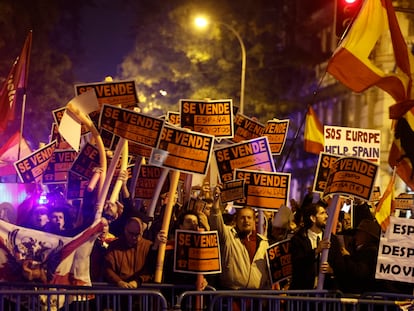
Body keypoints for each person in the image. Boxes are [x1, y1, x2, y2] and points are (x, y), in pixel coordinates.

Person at [208, 185, 271, 290]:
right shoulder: (228, 235)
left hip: (256, 298)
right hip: (231, 297)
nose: (246, 221)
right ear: (236, 220)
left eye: (249, 218)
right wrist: (216, 202)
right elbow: (215, 221)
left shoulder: (264, 242)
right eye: (242, 218)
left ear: (254, 220)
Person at [290, 201, 343, 290]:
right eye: (322, 213)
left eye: (326, 213)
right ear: (313, 218)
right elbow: (297, 263)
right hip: (304, 293)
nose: (326, 216)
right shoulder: (298, 239)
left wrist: (332, 270)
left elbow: (340, 264)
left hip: (326, 293)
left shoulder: (332, 239)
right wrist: (316, 251)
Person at [104, 216, 157, 288]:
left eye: (137, 234)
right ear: (125, 230)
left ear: (142, 233)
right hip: (118, 292)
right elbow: (107, 268)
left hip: (141, 293)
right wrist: (118, 281)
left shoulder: (148, 246)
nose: (134, 237)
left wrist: (138, 281)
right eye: (131, 234)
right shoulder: (114, 245)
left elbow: (150, 269)